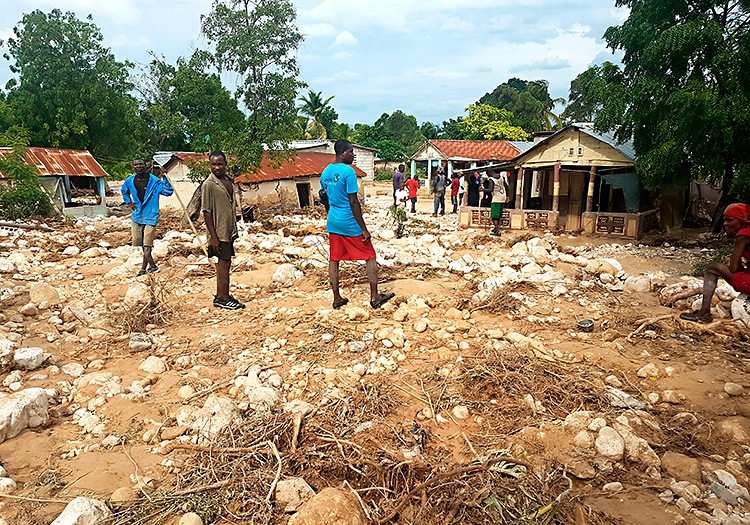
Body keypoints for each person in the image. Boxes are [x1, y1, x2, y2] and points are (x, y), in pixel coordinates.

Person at [321, 140, 395, 310]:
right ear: (342, 153)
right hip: (349, 221)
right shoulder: (348, 171)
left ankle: (337, 297)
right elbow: (353, 201)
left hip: (333, 221)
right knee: (369, 254)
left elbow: (324, 197)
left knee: (334, 258)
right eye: (351, 152)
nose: (353, 155)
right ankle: (375, 296)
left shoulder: (326, 171)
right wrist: (364, 228)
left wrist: (330, 216)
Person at [680, 203, 750, 323]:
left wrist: (738, 260)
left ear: (742, 220)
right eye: (724, 220)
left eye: (730, 220)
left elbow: (733, 268)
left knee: (712, 268)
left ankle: (704, 313)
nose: (725, 224)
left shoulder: (743, 234)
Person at [202, 151, 245, 310]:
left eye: (220, 164)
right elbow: (206, 211)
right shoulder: (209, 184)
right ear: (210, 165)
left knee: (225, 263)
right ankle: (223, 297)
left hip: (228, 230)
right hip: (218, 232)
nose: (217, 167)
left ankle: (221, 296)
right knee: (223, 263)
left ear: (225, 164)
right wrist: (213, 237)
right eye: (213, 164)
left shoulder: (228, 181)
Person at [121, 158, 173, 276]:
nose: (138, 166)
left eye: (140, 164)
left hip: (150, 216)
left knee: (147, 245)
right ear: (133, 167)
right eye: (135, 164)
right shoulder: (130, 181)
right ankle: (144, 268)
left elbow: (168, 191)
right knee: (142, 245)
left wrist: (165, 178)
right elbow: (124, 190)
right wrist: (128, 202)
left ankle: (153, 266)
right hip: (137, 216)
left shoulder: (155, 182)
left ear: (146, 166)